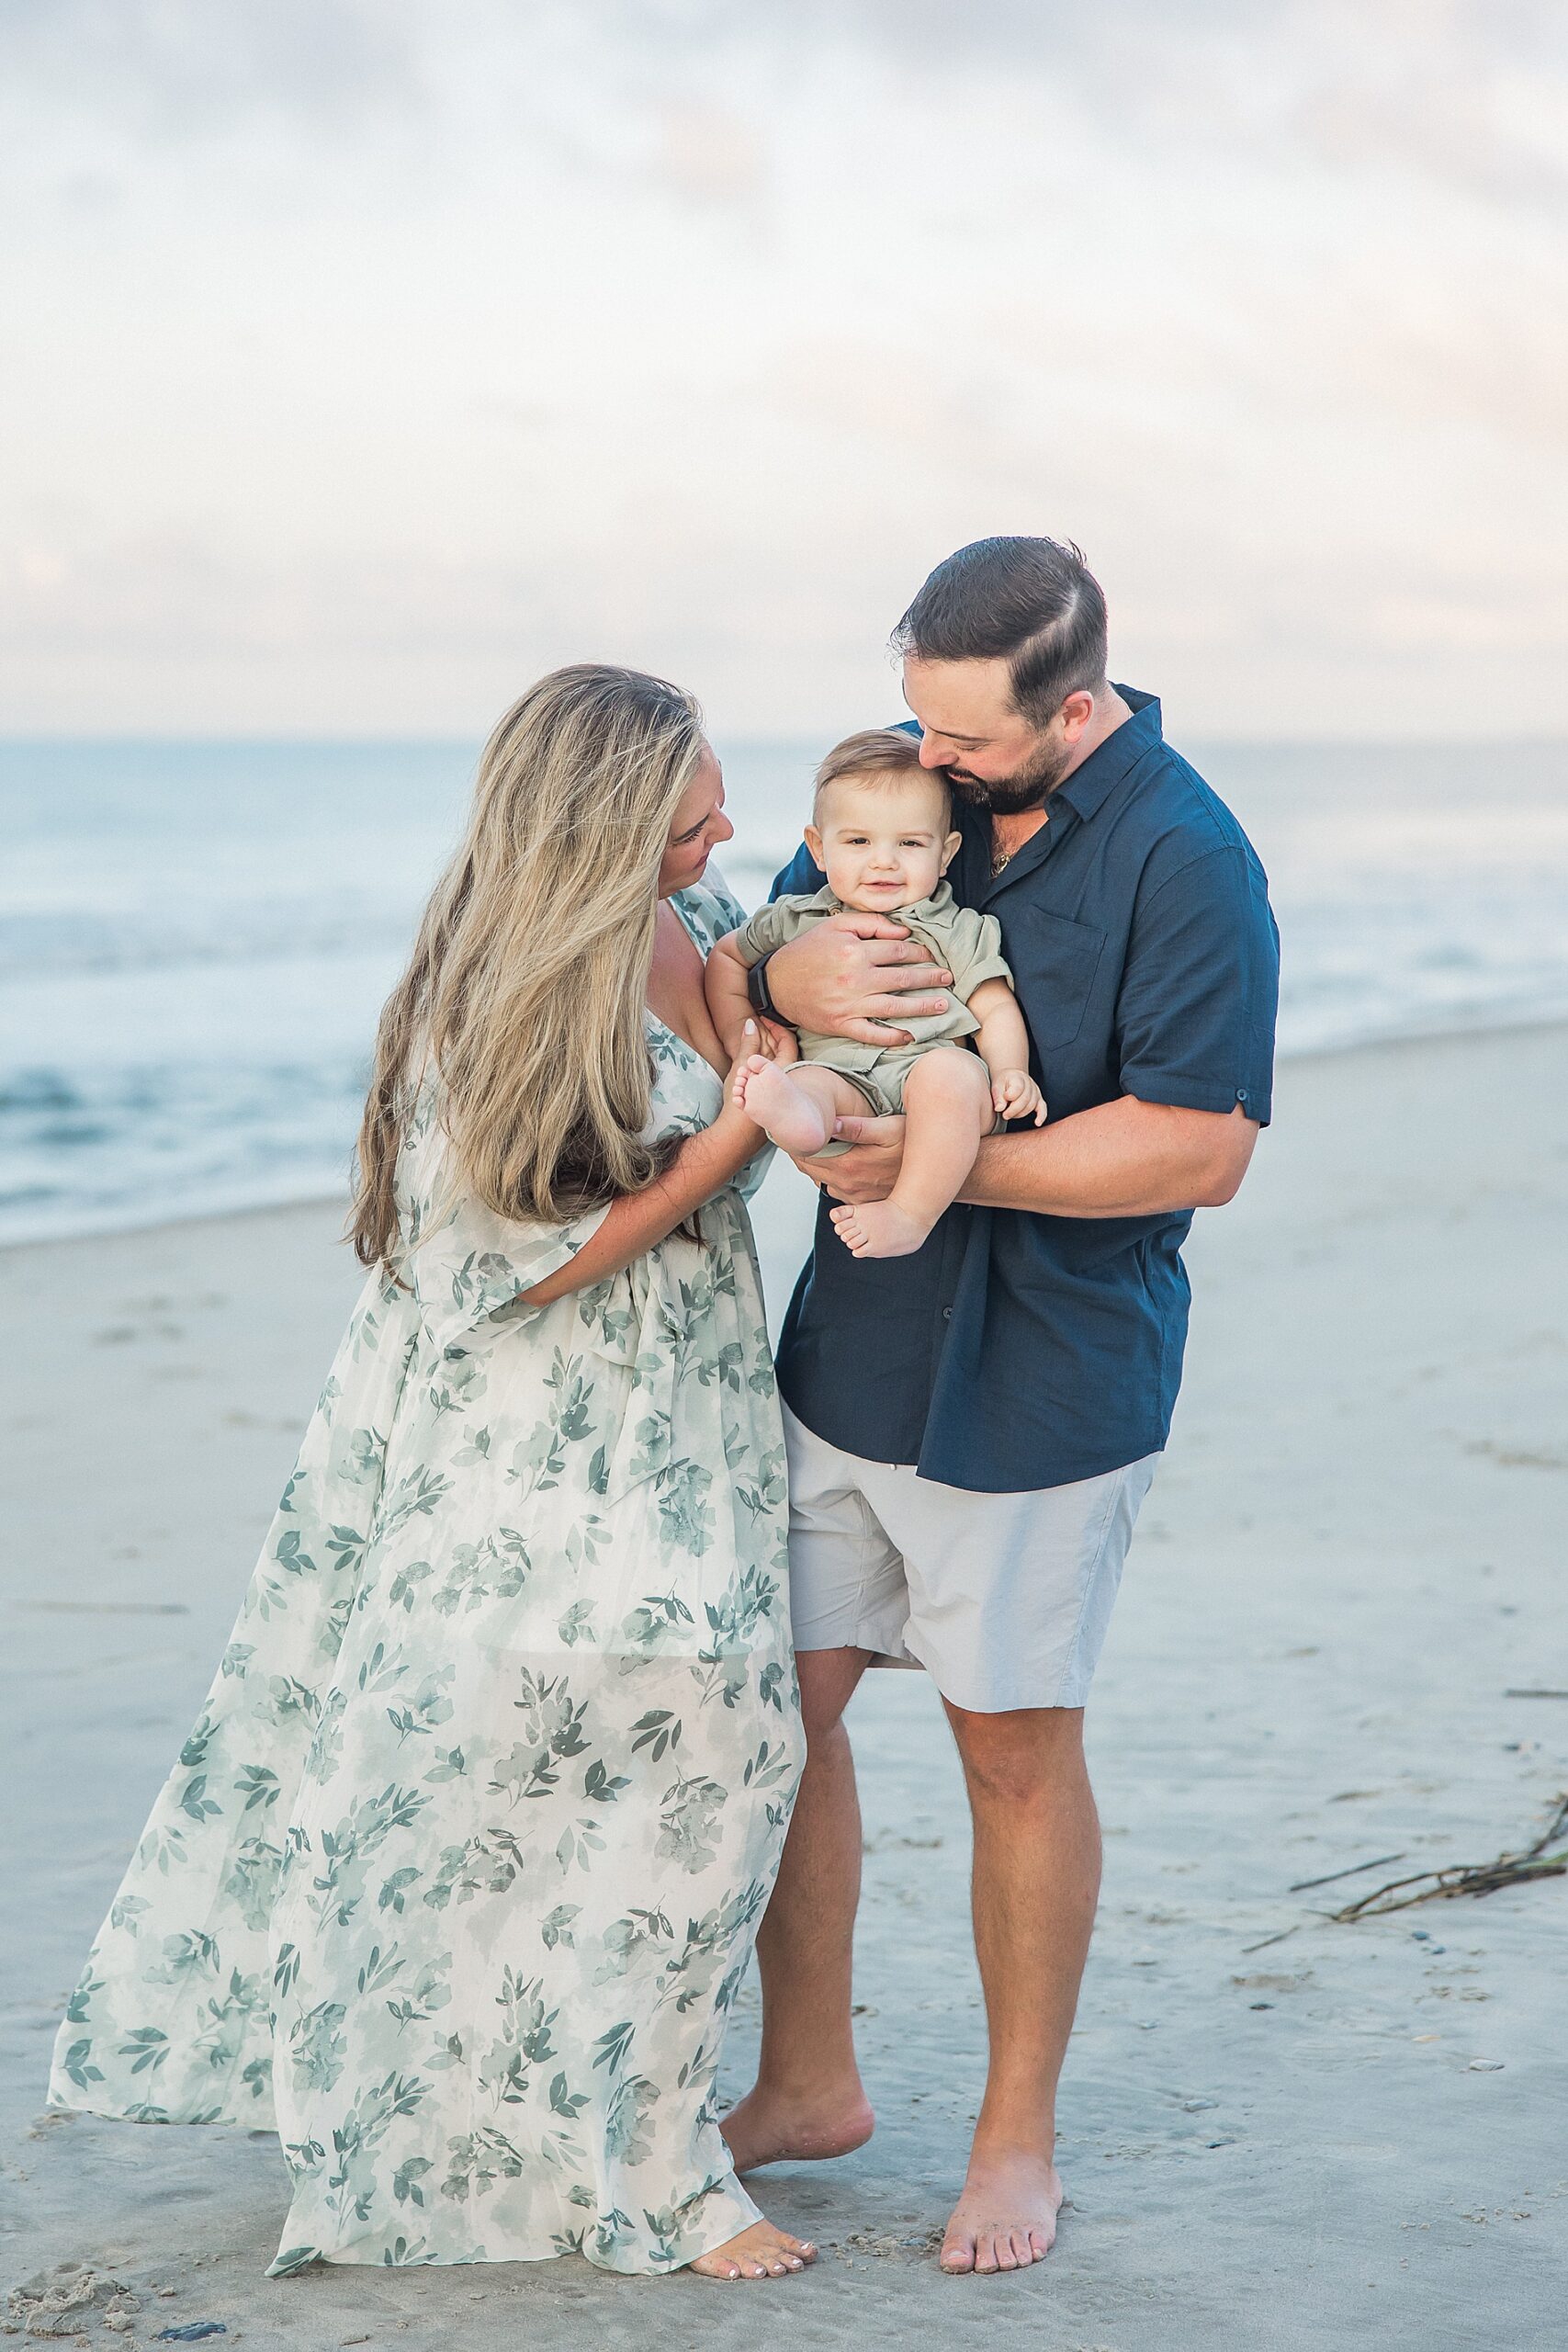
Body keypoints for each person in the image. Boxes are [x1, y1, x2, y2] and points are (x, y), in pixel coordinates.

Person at [47, 665, 817, 2286]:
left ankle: (638, 2136)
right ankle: (563, 2154)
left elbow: (787, 980)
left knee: (719, 1756)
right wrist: (736, 1141)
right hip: (529, 1433)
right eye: (694, 816)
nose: (725, 831)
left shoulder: (702, 924)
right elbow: (516, 1272)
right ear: (605, 831)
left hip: (691, 1418)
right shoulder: (505, 998)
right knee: (523, 1759)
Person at [720, 538, 1280, 2278]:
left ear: (1076, 708)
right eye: (914, 727)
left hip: (1045, 1372)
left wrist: (950, 1166)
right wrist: (782, 987)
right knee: (778, 1716)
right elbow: (755, 958)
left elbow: (1199, 1145)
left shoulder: (1190, 859)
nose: (927, 770)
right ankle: (807, 2083)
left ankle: (1012, 2138)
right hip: (849, 1348)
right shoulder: (899, 785)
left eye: (964, 743)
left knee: (1010, 1755)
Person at [706, 729, 1043, 1259]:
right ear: (818, 848)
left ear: (946, 852)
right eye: (858, 842)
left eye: (910, 843)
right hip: (843, 1078)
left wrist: (1009, 1072)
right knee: (808, 1083)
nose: (883, 862)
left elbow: (994, 1003)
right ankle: (800, 1117)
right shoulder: (799, 919)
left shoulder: (956, 926)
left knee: (951, 1076)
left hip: (931, 1081)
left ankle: (909, 1214)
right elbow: (727, 958)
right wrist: (742, 1037)